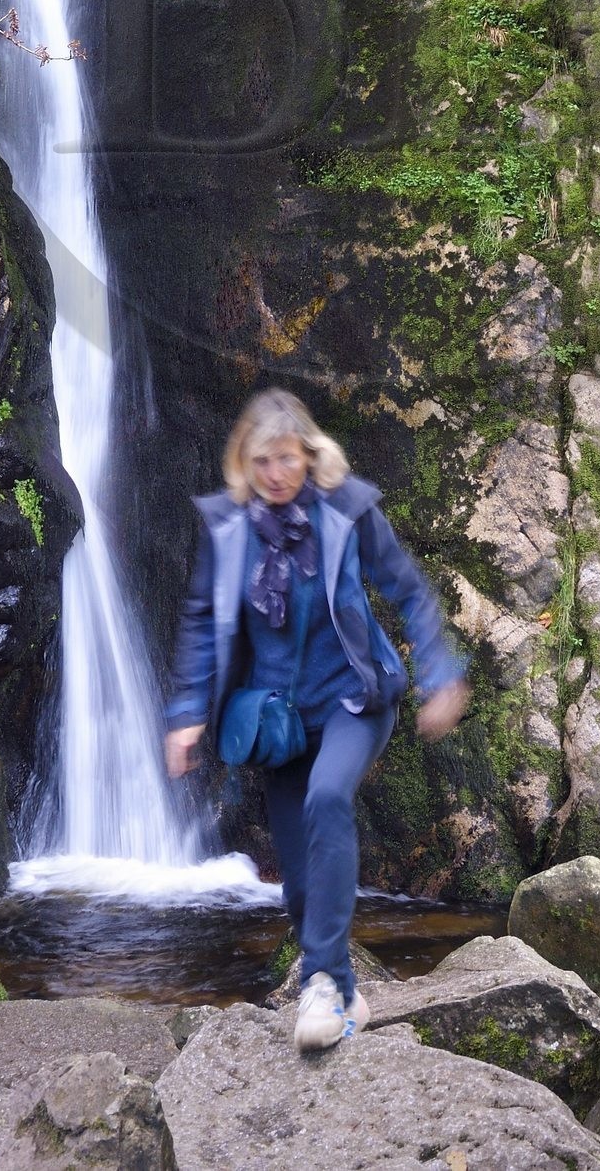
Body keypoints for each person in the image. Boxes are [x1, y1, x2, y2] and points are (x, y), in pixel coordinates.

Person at [164, 387, 470, 1053]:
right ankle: (342, 979)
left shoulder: (347, 511)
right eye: (263, 461)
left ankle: (324, 986)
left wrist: (439, 676)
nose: (277, 475)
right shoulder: (228, 530)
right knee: (298, 881)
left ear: (310, 455)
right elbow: (199, 622)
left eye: (288, 459)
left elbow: (409, 590)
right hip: (278, 724)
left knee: (329, 798)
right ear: (243, 463)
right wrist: (186, 714)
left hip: (354, 700)